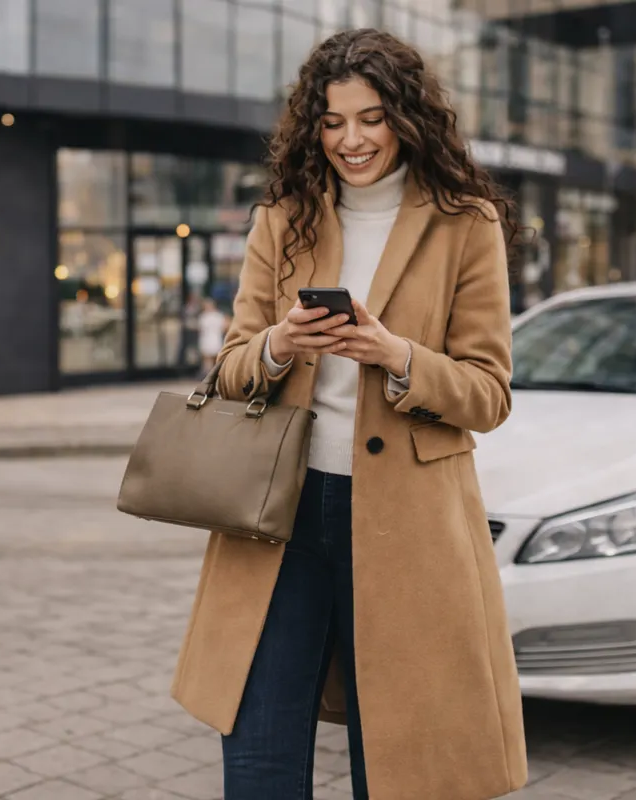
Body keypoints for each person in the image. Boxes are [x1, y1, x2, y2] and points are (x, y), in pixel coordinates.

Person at [169, 28, 527, 800]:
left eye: (370, 118)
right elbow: (230, 371)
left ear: (406, 116)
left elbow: (489, 394)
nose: (351, 139)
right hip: (279, 516)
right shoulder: (283, 217)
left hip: (407, 524)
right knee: (258, 751)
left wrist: (394, 355)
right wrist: (279, 344)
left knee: (399, 757)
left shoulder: (466, 222)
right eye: (332, 122)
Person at [197, 296, 227, 377]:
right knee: (208, 359)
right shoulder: (204, 316)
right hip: (208, 339)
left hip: (214, 339)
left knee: (214, 359)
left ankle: (213, 375)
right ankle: (210, 375)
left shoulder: (215, 316)